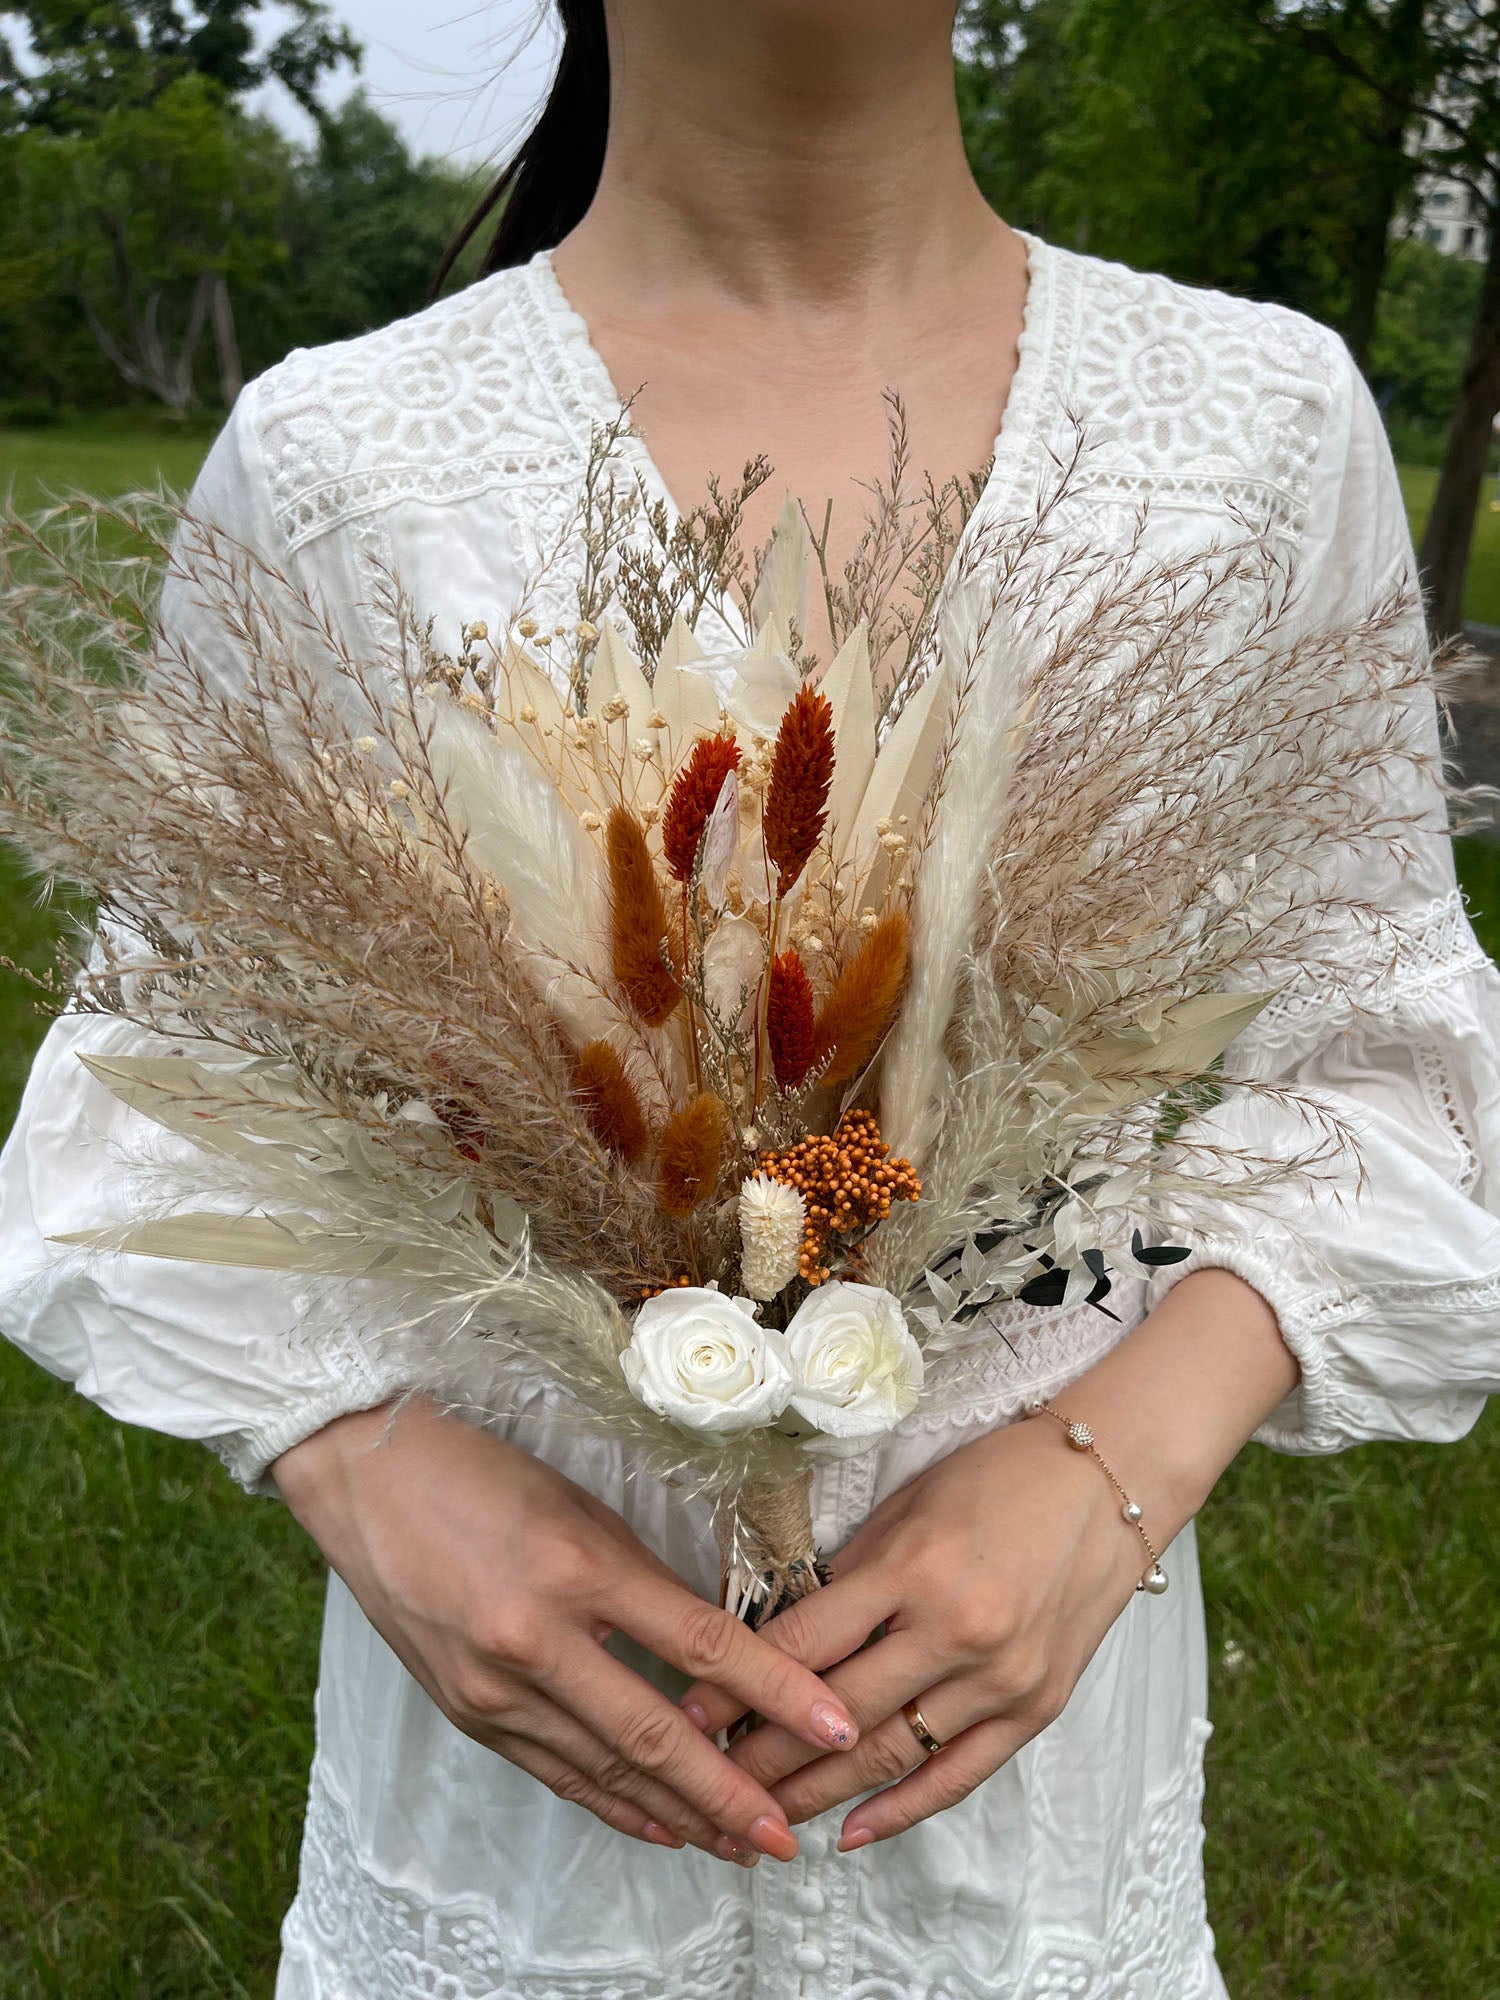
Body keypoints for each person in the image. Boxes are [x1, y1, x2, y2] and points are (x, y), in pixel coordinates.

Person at [4, 3, 1500, 1995]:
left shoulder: (1254, 436)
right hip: (515, 1852)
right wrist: (364, 1457)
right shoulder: (344, 467)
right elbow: (150, 1084)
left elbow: (1391, 1064)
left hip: (1020, 1858)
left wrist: (1118, 1458)